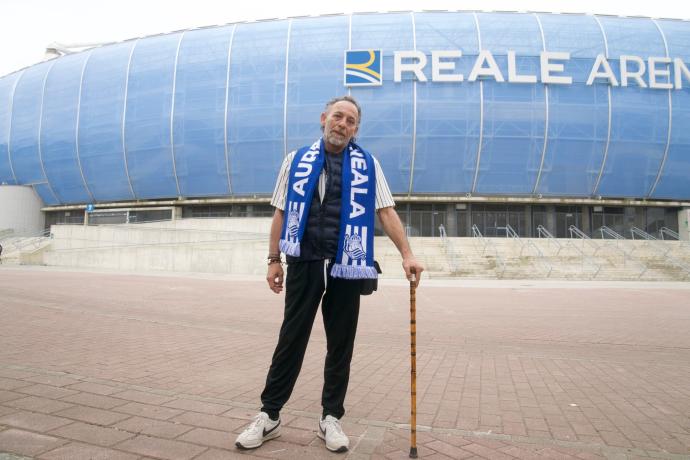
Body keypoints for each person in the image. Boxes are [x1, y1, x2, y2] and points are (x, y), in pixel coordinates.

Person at [235, 95, 424, 453]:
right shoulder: (296, 160)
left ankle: (331, 417)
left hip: (347, 265)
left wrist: (408, 254)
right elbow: (279, 212)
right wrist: (273, 259)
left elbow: (385, 210)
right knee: (291, 339)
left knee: (341, 344)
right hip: (304, 261)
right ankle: (269, 414)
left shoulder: (368, 164)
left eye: (351, 121)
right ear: (323, 118)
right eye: (338, 116)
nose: (343, 124)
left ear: (356, 129)